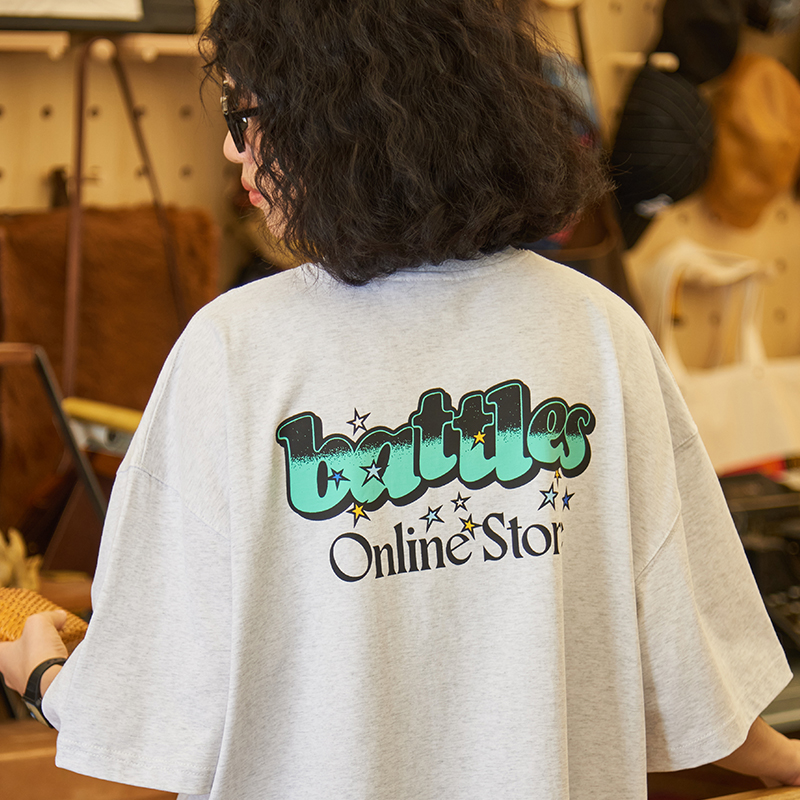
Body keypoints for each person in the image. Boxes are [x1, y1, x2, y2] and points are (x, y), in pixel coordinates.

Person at [1, 1, 799, 798]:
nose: (231, 147)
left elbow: (146, 710)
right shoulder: (597, 332)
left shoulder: (234, 354)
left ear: (334, 120)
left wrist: (41, 674)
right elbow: (692, 677)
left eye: (245, 115)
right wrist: (783, 760)